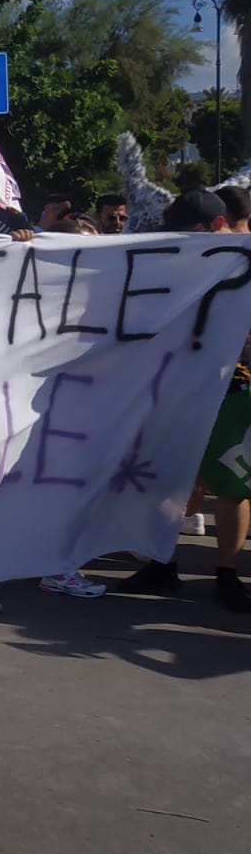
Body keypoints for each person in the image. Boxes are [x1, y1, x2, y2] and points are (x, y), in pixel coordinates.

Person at [121, 189, 251, 609]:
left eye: (188, 231)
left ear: (215, 227)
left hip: (233, 386)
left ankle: (228, 574)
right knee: (167, 477)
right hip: (175, 383)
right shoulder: (176, 262)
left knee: (232, 484)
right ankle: (163, 561)